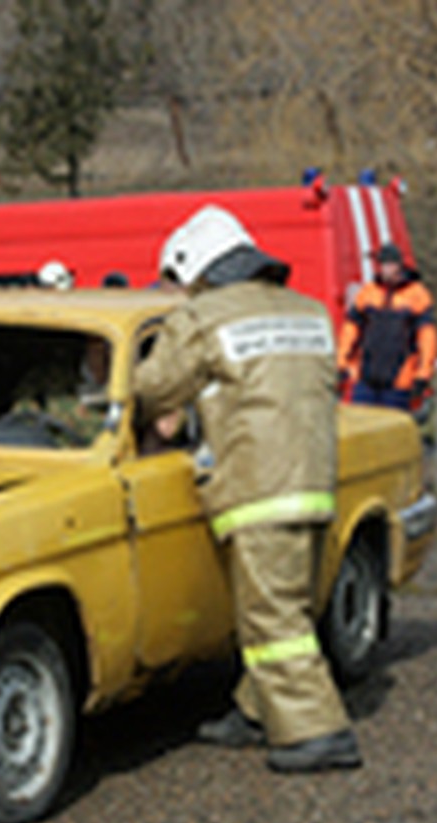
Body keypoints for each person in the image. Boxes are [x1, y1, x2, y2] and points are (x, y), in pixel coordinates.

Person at [135, 206, 360, 774]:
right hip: (313, 479)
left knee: (273, 621)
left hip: (258, 486)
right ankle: (254, 712)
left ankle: (318, 731)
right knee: (290, 608)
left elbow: (155, 388)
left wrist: (102, 376)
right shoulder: (309, 312)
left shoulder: (203, 317)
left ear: (196, 270)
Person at [337, 243, 437, 411]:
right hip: (364, 378)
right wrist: (341, 363)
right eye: (383, 265)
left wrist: (423, 374)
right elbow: (350, 331)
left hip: (400, 382)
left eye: (390, 264)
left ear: (399, 265)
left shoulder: (418, 294)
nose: (385, 269)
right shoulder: (368, 292)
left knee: (393, 432)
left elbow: (427, 339)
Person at [10, 337, 111, 447]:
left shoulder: (128, 384)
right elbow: (21, 415)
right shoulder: (47, 377)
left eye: (109, 346)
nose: (106, 352)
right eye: (100, 345)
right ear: (90, 343)